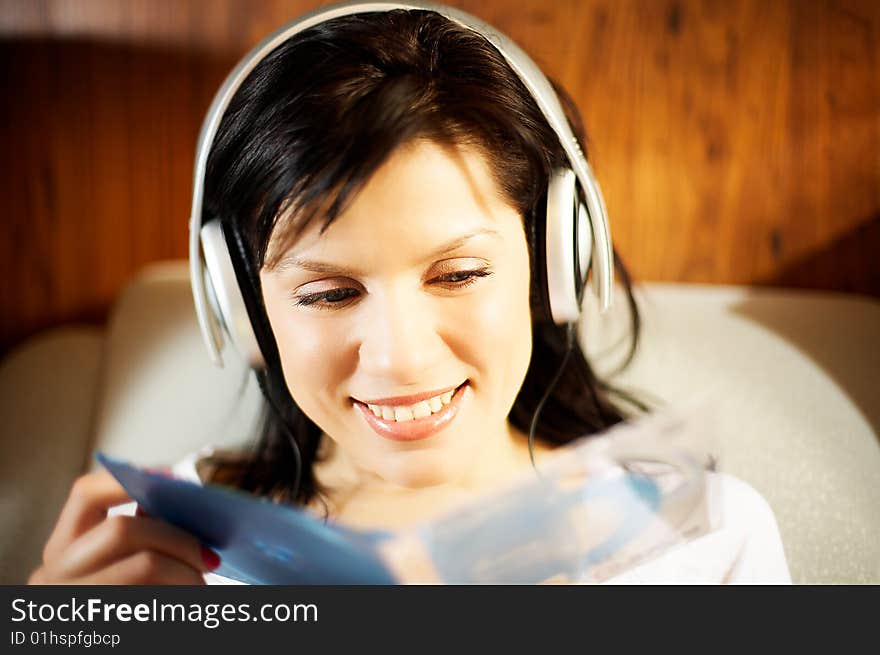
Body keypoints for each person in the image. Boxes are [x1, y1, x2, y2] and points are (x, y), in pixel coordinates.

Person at [28, 4, 790, 585]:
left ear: (555, 264)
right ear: (243, 307)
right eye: (328, 293)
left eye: (457, 275)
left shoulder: (708, 538)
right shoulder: (149, 557)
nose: (400, 357)